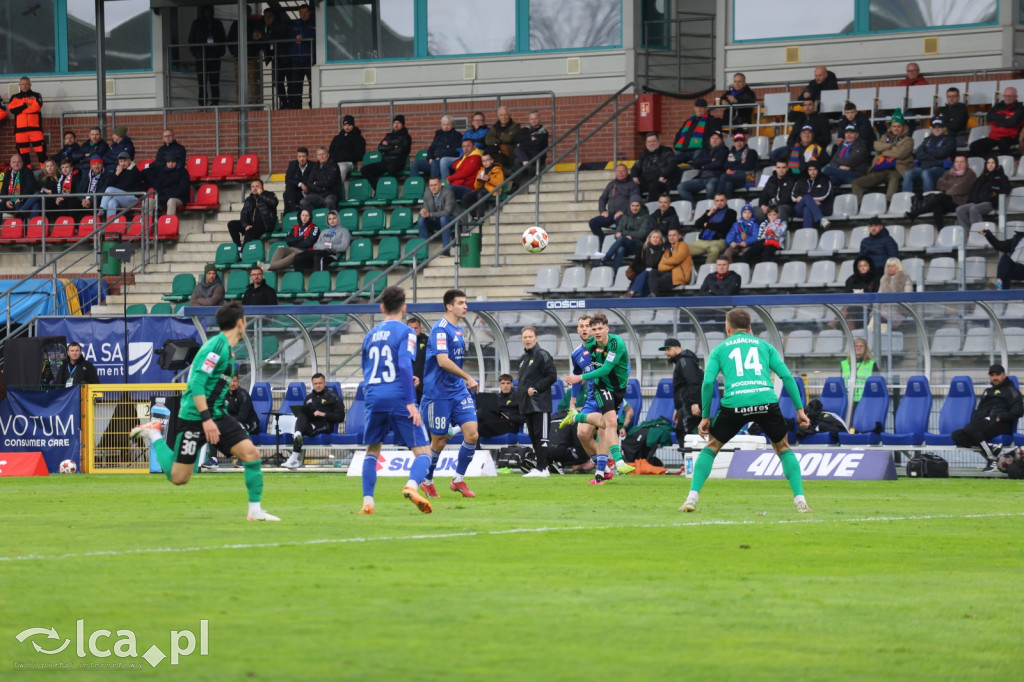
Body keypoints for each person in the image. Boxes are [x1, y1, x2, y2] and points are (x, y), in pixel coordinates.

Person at [129, 302, 279, 521]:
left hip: (217, 415)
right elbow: (197, 385)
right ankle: (154, 434)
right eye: (244, 318)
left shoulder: (226, 349)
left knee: (252, 454)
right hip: (194, 417)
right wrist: (206, 420)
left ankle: (255, 511)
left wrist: (213, 417)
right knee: (179, 477)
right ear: (240, 322)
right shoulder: (215, 348)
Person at [679, 308, 812, 514]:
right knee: (783, 448)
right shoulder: (765, 346)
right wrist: (800, 410)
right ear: (750, 328)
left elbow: (707, 382)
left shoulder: (720, 349)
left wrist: (705, 416)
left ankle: (691, 499)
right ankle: (801, 501)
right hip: (765, 400)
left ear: (727, 328)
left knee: (712, 446)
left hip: (735, 403)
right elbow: (787, 377)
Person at [357, 286, 434, 513]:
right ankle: (411, 486)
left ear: (381, 308)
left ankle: (367, 502)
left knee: (372, 450)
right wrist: (410, 402)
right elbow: (402, 364)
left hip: (373, 396)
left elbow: (367, 368)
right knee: (424, 452)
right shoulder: (406, 332)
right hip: (398, 396)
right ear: (404, 307)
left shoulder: (370, 335)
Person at [418, 289, 481, 499]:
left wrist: (463, 381)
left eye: (466, 302)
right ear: (449, 306)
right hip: (438, 393)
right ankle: (427, 481)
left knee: (472, 433)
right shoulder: (440, 329)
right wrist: (468, 377)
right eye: (461, 303)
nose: (465, 306)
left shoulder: (459, 330)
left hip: (458, 391)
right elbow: (443, 361)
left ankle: (458, 480)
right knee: (439, 441)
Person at [562, 313, 631, 485]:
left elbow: (611, 369)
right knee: (582, 433)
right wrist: (572, 402)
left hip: (612, 391)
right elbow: (578, 376)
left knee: (605, 428)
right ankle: (608, 466)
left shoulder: (612, 344)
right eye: (583, 326)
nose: (586, 329)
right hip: (594, 394)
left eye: (589, 326)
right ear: (578, 330)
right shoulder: (578, 353)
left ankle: (601, 471)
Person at [952, 364, 1024, 472]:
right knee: (957, 436)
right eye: (992, 375)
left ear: (1004, 375)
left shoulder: (1011, 391)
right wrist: (976, 420)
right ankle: (991, 452)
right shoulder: (988, 391)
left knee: (970, 428)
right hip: (984, 423)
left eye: (998, 375)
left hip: (1001, 424)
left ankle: (990, 457)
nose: (995, 378)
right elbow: (980, 409)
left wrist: (1000, 417)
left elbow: (1018, 411)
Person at [516, 327, 558, 477]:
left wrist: (536, 389)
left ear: (536, 338)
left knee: (542, 437)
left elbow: (552, 376)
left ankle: (542, 468)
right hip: (526, 405)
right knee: (533, 436)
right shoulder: (523, 359)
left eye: (530, 336)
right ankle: (541, 467)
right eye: (525, 337)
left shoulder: (543, 355)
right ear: (522, 339)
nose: (527, 339)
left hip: (540, 404)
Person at [281, 373, 345, 469]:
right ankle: (297, 434)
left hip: (325, 425)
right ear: (312, 384)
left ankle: (294, 458)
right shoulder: (309, 398)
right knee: (302, 413)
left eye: (320, 383)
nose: (318, 385)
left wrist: (323, 414)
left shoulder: (333, 397)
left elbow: (341, 417)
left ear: (325, 383)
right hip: (311, 424)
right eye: (315, 384)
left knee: (301, 430)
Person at [852, 110, 913, 202]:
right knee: (856, 183)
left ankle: (888, 203)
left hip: (896, 169)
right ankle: (857, 206)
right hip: (879, 169)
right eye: (894, 126)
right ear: (890, 127)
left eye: (899, 126)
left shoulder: (908, 140)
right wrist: (891, 146)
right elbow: (876, 146)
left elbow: (900, 154)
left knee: (894, 178)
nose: (896, 129)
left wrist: (883, 151)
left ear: (903, 127)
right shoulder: (885, 137)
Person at [905, 153, 976, 230]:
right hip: (948, 200)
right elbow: (939, 184)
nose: (959, 164)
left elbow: (962, 189)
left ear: (966, 163)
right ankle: (941, 231)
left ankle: (916, 212)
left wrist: (948, 187)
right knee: (937, 206)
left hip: (960, 203)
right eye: (957, 162)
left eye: (961, 162)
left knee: (941, 197)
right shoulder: (949, 172)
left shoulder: (970, 174)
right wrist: (953, 185)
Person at [661, 337, 704, 443]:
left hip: (689, 408)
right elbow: (682, 387)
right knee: (687, 435)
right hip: (685, 407)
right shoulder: (682, 361)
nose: (666, 353)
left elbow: (693, 382)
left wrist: (694, 403)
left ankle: (689, 459)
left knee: (684, 436)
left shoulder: (684, 360)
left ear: (676, 348)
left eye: (668, 349)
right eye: (665, 350)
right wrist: (677, 408)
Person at [770, 92, 830, 163]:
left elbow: (826, 138)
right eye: (805, 105)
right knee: (774, 155)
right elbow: (792, 136)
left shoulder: (822, 119)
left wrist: (811, 143)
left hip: (812, 147)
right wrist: (792, 146)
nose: (807, 107)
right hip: (796, 146)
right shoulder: (800, 118)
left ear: (815, 107)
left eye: (810, 105)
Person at [902, 119, 955, 195]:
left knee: (926, 173)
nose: (936, 129)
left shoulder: (950, 140)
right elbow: (918, 153)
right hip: (926, 166)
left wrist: (927, 150)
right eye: (934, 127)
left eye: (939, 127)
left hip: (941, 169)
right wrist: (934, 157)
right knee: (908, 173)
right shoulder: (927, 140)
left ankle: (928, 199)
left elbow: (941, 153)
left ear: (944, 128)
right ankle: (906, 199)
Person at [956, 156, 1010, 229]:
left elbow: (1005, 189)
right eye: (988, 163)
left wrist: (993, 199)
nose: (990, 165)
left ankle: (979, 234)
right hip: (977, 202)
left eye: (993, 163)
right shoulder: (982, 177)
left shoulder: (1001, 177)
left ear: (996, 164)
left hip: (990, 203)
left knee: (974, 209)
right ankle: (967, 234)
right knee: (960, 210)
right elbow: (974, 191)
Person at [188, 5, 227, 107]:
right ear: (202, 11)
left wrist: (219, 52)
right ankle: (202, 103)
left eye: (209, 9)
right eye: (205, 9)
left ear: (212, 10)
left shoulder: (217, 23)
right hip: (201, 58)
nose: (207, 12)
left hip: (214, 57)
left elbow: (223, 39)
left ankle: (215, 102)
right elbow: (191, 40)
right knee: (202, 82)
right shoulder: (197, 23)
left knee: (214, 81)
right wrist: (196, 54)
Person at [589, 163, 640, 238]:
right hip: (610, 214)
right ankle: (602, 242)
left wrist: (623, 211)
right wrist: (602, 210)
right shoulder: (611, 184)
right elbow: (602, 198)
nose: (620, 173)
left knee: (620, 224)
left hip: (625, 214)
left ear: (627, 172)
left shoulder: (632, 185)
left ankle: (619, 245)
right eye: (618, 171)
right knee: (593, 222)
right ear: (615, 173)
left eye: (622, 171)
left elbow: (634, 201)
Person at [969, 87, 1024, 157]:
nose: (1007, 98)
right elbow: (989, 118)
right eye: (1005, 96)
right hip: (994, 136)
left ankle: (1004, 165)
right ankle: (989, 163)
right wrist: (1004, 116)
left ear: (1016, 97)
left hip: (1010, 136)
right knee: (974, 146)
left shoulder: (1020, 108)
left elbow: (1014, 122)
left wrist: (997, 123)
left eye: (1010, 96)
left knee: (1003, 143)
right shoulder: (998, 106)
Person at [362, 115, 412, 189]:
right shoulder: (388, 136)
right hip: (385, 162)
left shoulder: (406, 137)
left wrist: (387, 147)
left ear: (403, 125)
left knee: (390, 167)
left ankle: (390, 189)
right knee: (365, 169)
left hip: (397, 161)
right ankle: (377, 187)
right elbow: (380, 147)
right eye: (395, 123)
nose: (396, 125)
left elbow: (401, 150)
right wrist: (393, 146)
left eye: (398, 123)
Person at [677, 130, 728, 203]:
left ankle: (709, 208)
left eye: (717, 138)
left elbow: (718, 164)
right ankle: (694, 209)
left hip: (714, 177)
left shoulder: (724, 150)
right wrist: (710, 160)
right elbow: (696, 163)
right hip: (701, 178)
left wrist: (703, 166)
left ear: (721, 141)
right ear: (710, 139)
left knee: (710, 187)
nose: (714, 140)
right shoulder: (704, 150)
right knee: (681, 187)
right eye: (713, 138)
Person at [601, 199, 652, 270]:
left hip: (639, 245)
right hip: (626, 244)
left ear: (641, 206)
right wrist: (621, 235)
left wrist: (624, 234)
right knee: (620, 249)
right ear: (629, 206)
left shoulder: (646, 217)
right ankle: (616, 275)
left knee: (622, 239)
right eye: (633, 206)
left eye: (637, 206)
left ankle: (606, 258)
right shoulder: (625, 216)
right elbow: (617, 232)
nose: (635, 208)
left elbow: (641, 234)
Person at [7, 76, 47, 168]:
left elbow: (36, 108)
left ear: (30, 85)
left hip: (35, 130)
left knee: (41, 153)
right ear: (19, 85)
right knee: (24, 156)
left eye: (26, 84)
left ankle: (46, 175)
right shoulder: (14, 97)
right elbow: (12, 110)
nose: (25, 86)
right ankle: (27, 175)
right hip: (20, 132)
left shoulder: (37, 95)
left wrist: (20, 109)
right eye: (23, 84)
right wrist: (25, 105)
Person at [228, 179, 279, 249]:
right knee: (231, 224)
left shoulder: (269, 195)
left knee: (250, 231)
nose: (254, 188)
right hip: (251, 225)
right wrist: (245, 225)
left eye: (257, 186)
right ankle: (238, 247)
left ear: (262, 187)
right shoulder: (249, 199)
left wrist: (261, 194)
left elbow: (274, 203)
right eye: (253, 187)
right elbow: (243, 214)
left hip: (264, 224)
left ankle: (244, 251)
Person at [631, 132, 680, 201]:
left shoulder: (666, 151)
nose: (651, 143)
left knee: (653, 186)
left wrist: (663, 175)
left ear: (658, 141)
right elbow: (635, 167)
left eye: (654, 141)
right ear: (646, 143)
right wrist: (634, 176)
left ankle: (651, 208)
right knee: (633, 185)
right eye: (649, 142)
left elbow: (673, 163)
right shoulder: (644, 154)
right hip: (647, 181)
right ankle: (636, 207)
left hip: (663, 181)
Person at [672, 98, 722, 164]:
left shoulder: (711, 120)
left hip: (699, 150)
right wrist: (676, 146)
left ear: (706, 109)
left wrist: (705, 145)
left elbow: (715, 135)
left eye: (702, 107)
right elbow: (679, 134)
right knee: (672, 160)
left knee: (698, 160)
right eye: (697, 107)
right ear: (694, 108)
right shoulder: (688, 121)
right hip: (683, 150)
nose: (699, 109)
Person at [689, 193, 735, 265]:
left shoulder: (731, 212)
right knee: (683, 249)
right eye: (717, 201)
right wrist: (709, 213)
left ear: (726, 201)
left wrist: (707, 225)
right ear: (714, 202)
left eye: (722, 200)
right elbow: (697, 225)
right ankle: (690, 272)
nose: (719, 203)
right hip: (703, 241)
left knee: (714, 250)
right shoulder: (709, 212)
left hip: (719, 241)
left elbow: (723, 226)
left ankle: (707, 271)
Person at [441, 112, 488, 178]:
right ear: (472, 122)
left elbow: (481, 145)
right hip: (462, 156)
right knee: (444, 161)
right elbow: (461, 145)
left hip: (475, 157)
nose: (477, 122)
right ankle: (446, 184)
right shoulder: (468, 132)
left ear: (484, 122)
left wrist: (470, 146)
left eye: (480, 120)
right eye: (475, 120)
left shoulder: (487, 131)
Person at [285, 3, 315, 109]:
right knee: (296, 85)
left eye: (306, 12)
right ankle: (297, 107)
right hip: (296, 59)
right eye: (301, 12)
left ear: (310, 12)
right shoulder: (295, 24)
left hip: (309, 59)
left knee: (313, 83)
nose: (304, 14)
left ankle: (313, 104)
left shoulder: (315, 23)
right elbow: (288, 39)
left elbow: (316, 37)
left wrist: (304, 37)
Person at [477, 374, 524, 440]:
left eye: (508, 383)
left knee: (481, 412)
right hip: (495, 424)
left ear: (512, 384)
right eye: (503, 383)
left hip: (509, 425)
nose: (505, 385)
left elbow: (524, 418)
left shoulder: (518, 398)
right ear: (499, 385)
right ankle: (476, 450)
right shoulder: (496, 398)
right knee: (477, 427)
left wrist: (509, 417)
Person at [418, 176, 457, 254]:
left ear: (440, 185)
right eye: (431, 185)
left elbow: (447, 212)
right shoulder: (427, 193)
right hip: (436, 220)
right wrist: (424, 211)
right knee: (421, 221)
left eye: (435, 185)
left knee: (443, 218)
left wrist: (430, 214)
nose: (433, 187)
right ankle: (422, 251)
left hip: (452, 220)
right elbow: (426, 207)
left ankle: (446, 249)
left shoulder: (448, 193)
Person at [99, 152, 145, 220]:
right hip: (121, 197)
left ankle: (102, 209)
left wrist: (114, 188)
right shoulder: (118, 170)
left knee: (110, 189)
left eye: (125, 161)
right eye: (121, 161)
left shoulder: (134, 171)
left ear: (129, 161)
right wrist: (116, 174)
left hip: (132, 199)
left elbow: (125, 186)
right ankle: (110, 224)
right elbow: (108, 184)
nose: (123, 163)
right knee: (112, 202)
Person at [822, 124, 870, 188]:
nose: (849, 135)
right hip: (842, 173)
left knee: (828, 170)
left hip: (855, 175)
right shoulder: (842, 145)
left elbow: (849, 161)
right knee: (830, 180)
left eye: (851, 133)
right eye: (847, 133)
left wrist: (838, 161)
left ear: (857, 135)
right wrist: (839, 166)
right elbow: (832, 161)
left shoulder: (861, 146)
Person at [650, 226, 693, 296]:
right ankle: (653, 295)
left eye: (674, 235)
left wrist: (666, 262)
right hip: (668, 274)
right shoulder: (667, 250)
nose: (671, 237)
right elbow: (660, 266)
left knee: (654, 282)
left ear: (679, 236)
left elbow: (676, 260)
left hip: (679, 276)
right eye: (670, 235)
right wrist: (673, 265)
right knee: (652, 272)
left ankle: (654, 296)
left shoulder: (683, 245)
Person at [791, 160, 833, 230]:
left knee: (807, 209)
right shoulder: (801, 180)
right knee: (807, 198)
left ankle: (807, 233)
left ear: (818, 170)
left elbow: (824, 195)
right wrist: (810, 200)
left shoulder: (824, 179)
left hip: (819, 207)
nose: (812, 172)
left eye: (814, 169)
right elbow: (793, 196)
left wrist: (807, 200)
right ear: (807, 171)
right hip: (799, 208)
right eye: (810, 170)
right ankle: (821, 219)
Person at [623, 229, 666, 298]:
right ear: (649, 239)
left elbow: (662, 266)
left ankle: (631, 292)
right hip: (641, 274)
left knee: (648, 274)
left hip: (655, 275)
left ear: (660, 240)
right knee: (645, 273)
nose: (655, 239)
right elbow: (635, 265)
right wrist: (645, 270)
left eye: (657, 237)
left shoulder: (664, 252)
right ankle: (634, 293)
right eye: (653, 237)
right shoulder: (642, 250)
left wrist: (650, 270)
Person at [980, 226, 1024, 290]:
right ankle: (999, 283)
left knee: (1006, 267)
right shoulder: (1018, 239)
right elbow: (1000, 246)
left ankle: (1001, 287)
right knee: (1006, 258)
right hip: (1018, 269)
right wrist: (988, 234)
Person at [463, 152, 503, 220]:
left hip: (492, 190)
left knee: (480, 194)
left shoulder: (497, 170)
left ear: (492, 161)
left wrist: (489, 179)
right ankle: (474, 217)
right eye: (483, 161)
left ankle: (481, 217)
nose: (485, 162)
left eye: (487, 160)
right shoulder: (481, 170)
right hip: (482, 189)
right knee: (466, 197)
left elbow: (500, 183)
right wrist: (478, 180)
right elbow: (476, 187)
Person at [299, 147, 342, 211]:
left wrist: (316, 183)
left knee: (329, 201)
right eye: (319, 155)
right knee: (303, 202)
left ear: (328, 155)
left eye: (323, 154)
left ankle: (332, 218)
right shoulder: (315, 166)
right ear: (317, 157)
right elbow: (309, 183)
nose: (321, 156)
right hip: (317, 194)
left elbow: (329, 182)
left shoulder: (334, 165)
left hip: (330, 193)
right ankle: (314, 217)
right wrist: (320, 188)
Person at [717, 132, 758, 198]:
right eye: (736, 141)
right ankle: (728, 203)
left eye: (741, 141)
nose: (739, 143)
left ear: (745, 141)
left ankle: (717, 197)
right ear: (733, 143)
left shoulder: (751, 152)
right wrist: (740, 163)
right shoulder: (730, 154)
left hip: (748, 177)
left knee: (724, 176)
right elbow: (726, 166)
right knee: (728, 184)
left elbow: (748, 166)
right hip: (734, 177)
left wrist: (733, 166)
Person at [512, 110, 549, 182]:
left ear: (539, 119)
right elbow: (516, 139)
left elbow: (536, 146)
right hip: (526, 156)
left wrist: (522, 143)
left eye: (535, 118)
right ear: (529, 120)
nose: (534, 121)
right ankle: (528, 166)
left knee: (518, 152)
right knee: (517, 156)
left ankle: (516, 185)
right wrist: (529, 138)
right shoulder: (525, 129)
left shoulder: (544, 132)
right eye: (531, 119)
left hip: (537, 157)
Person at [329, 114, 366, 183]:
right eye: (345, 125)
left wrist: (343, 157)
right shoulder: (337, 138)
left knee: (341, 168)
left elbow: (360, 155)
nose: (347, 127)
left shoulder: (359, 139)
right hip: (335, 162)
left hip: (350, 163)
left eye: (349, 125)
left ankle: (337, 190)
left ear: (353, 125)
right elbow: (330, 151)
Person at [841, 337, 878, 406]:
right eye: (856, 346)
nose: (858, 348)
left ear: (865, 349)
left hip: (865, 398)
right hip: (848, 399)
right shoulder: (844, 363)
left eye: (861, 346)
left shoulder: (871, 364)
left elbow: (876, 382)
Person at [283, 147, 314, 213]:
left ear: (307, 156)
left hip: (309, 192)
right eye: (299, 157)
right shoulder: (292, 164)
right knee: (288, 189)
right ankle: (293, 210)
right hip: (297, 192)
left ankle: (290, 214)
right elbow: (287, 179)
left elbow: (313, 180)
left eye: (303, 156)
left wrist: (307, 186)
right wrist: (300, 184)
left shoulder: (313, 165)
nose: (302, 159)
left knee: (286, 195)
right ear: (297, 157)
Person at [408, 317, 428, 404]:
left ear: (420, 329)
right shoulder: (402, 342)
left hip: (424, 384)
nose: (413, 330)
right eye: (410, 328)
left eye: (416, 328)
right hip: (408, 382)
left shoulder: (427, 341)